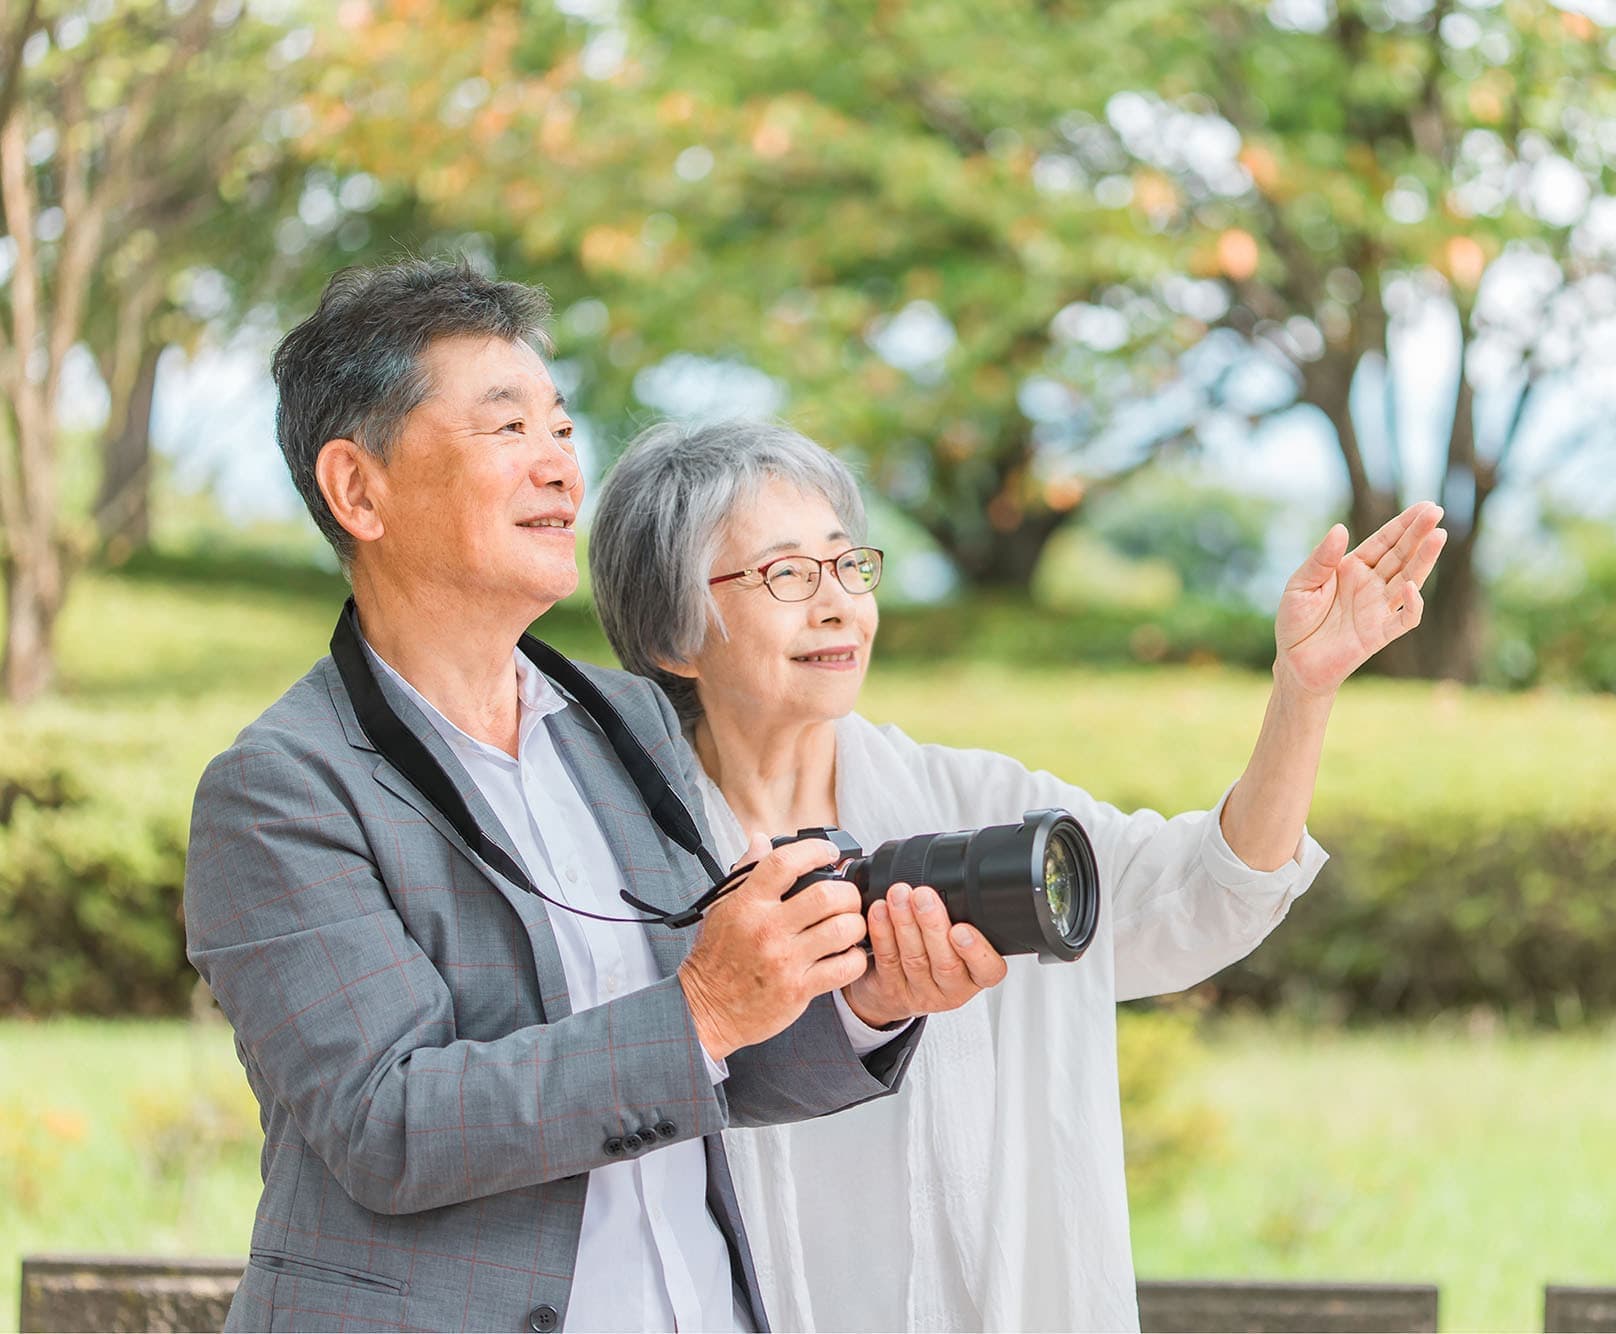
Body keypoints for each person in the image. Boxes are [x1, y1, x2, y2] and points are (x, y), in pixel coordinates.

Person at [183, 260, 1001, 1334]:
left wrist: (862, 999)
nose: (561, 467)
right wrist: (705, 1005)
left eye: (563, 429)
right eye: (505, 426)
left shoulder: (628, 722)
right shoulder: (280, 791)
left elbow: (708, 1064)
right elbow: (388, 1124)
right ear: (357, 489)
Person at [587, 418, 1448, 1331]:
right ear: (675, 634)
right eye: (787, 575)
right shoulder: (611, 861)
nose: (837, 603)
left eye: (848, 565)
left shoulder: (973, 804)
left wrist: (1302, 691)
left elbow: (1201, 894)